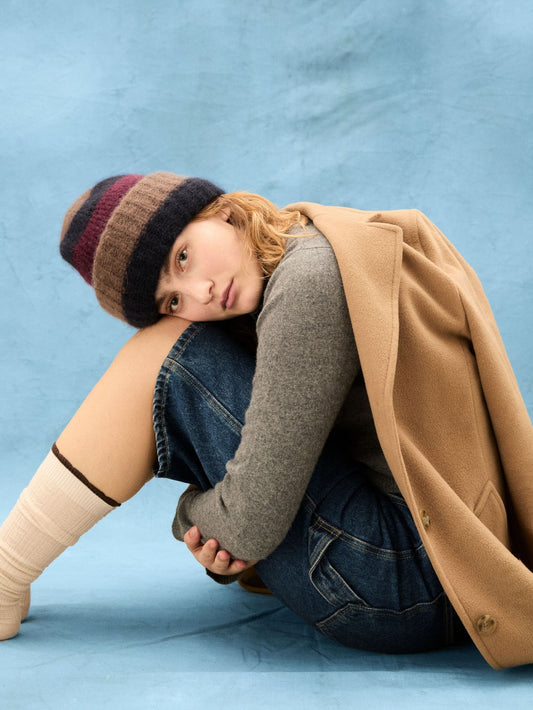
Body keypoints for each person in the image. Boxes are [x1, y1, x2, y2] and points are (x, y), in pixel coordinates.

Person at [0, 172, 532, 669]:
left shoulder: (308, 278)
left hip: (404, 585)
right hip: (422, 575)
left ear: (222, 211)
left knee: (163, 353)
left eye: (183, 257)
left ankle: (5, 572)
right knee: (172, 346)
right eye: (173, 299)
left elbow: (248, 527)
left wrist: (187, 514)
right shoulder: (301, 248)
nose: (200, 293)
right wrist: (227, 528)